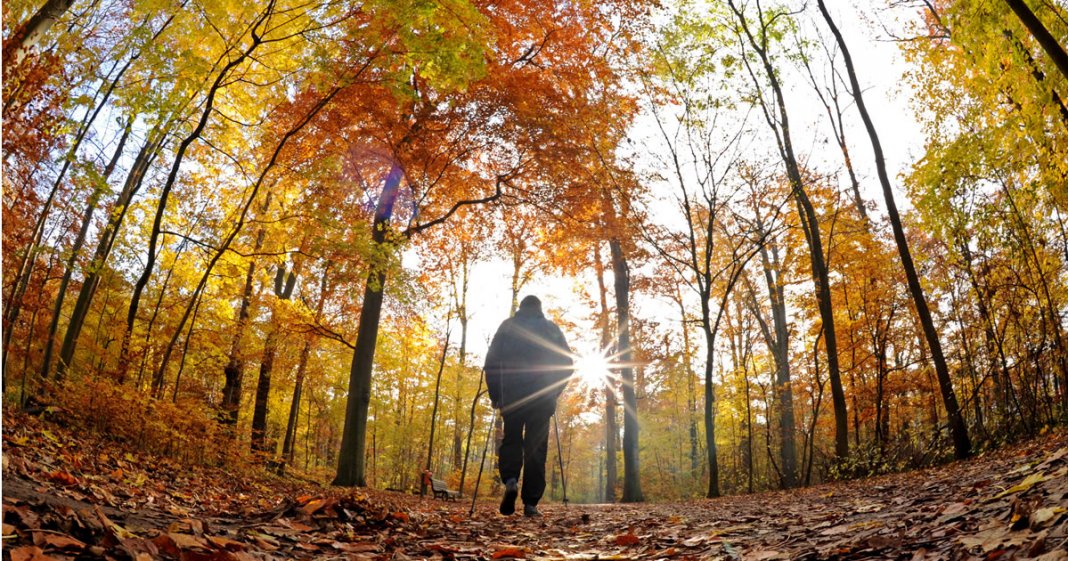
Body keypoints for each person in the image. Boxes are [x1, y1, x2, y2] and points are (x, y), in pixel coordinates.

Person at [484, 295, 573, 517]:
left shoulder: (507, 326)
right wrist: (554, 392)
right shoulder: (552, 329)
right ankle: (531, 503)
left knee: (512, 439)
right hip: (542, 399)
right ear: (540, 309)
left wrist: (495, 395)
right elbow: (567, 364)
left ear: (520, 308)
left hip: (512, 397)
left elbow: (491, 363)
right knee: (536, 447)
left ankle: (511, 481)